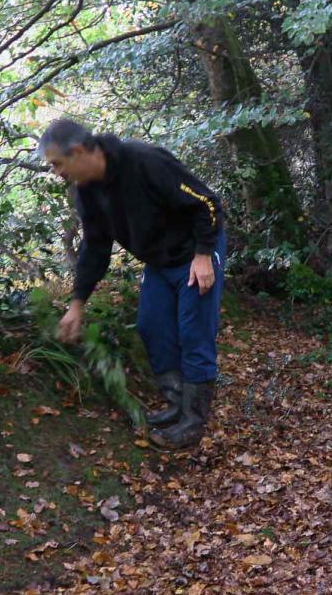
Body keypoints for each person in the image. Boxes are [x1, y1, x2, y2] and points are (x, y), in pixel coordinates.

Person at [38, 118, 226, 451]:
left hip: (194, 252)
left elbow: (207, 203)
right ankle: (177, 405)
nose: (57, 173)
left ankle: (193, 421)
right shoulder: (87, 192)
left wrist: (203, 254)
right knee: (152, 326)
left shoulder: (145, 161)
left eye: (57, 164)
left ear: (78, 151)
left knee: (193, 331)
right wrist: (77, 305)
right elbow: (95, 247)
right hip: (159, 261)